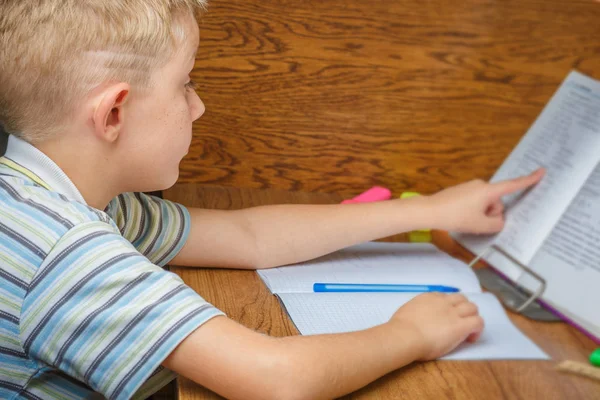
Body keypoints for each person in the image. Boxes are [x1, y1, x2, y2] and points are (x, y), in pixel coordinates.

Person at [0, 1, 545, 399]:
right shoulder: (69, 253)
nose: (199, 107)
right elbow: (276, 378)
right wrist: (411, 334)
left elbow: (249, 236)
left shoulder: (66, 196)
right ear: (114, 113)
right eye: (186, 84)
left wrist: (432, 210)